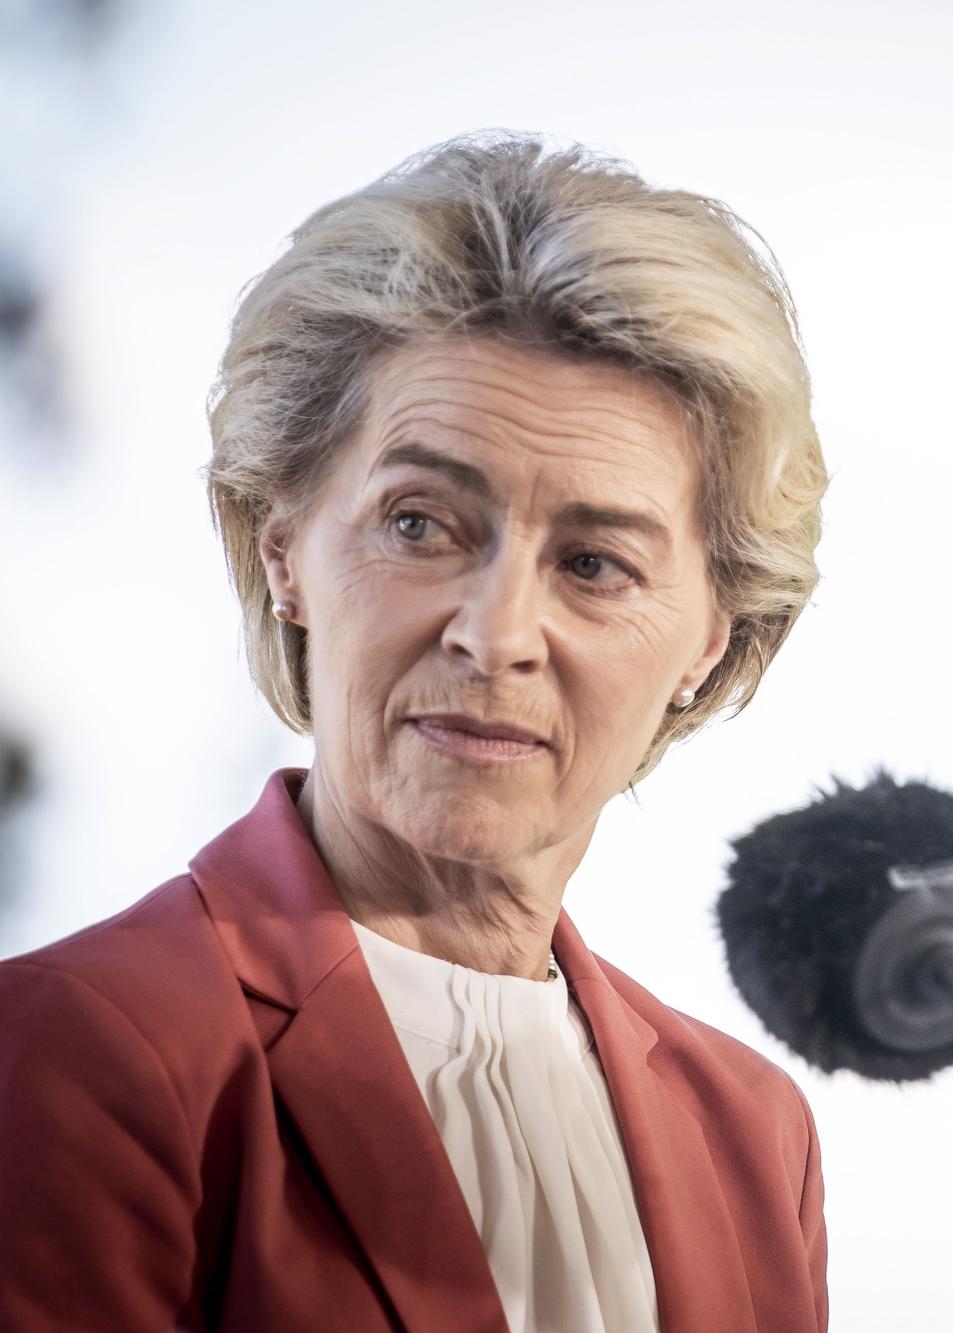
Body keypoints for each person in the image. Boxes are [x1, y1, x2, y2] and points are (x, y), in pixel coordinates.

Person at [0, 132, 830, 1333]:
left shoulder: (755, 1131)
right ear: (283, 545)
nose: (497, 635)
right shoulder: (74, 1052)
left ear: (712, 634)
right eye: (421, 524)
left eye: (595, 564)